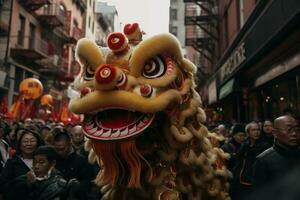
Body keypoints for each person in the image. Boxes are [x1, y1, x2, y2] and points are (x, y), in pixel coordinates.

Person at [253, 115, 300, 187]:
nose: (294, 133)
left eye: (297, 129)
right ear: (275, 133)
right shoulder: (263, 161)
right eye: (289, 129)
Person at [0, 129, 43, 200]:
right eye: (25, 141)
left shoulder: (44, 162)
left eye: (32, 141)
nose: (29, 144)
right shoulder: (12, 163)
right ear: (20, 144)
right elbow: (5, 187)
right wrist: (25, 183)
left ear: (38, 143)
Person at [231, 121, 269, 200]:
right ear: (248, 133)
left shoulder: (264, 145)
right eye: (253, 130)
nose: (257, 132)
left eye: (258, 130)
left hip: (257, 182)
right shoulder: (245, 145)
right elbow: (238, 161)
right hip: (242, 182)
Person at [53, 129, 94, 200]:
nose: (59, 152)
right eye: (57, 149)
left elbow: (88, 181)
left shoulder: (81, 160)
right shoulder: (53, 159)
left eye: (62, 149)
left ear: (69, 144)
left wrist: (77, 185)